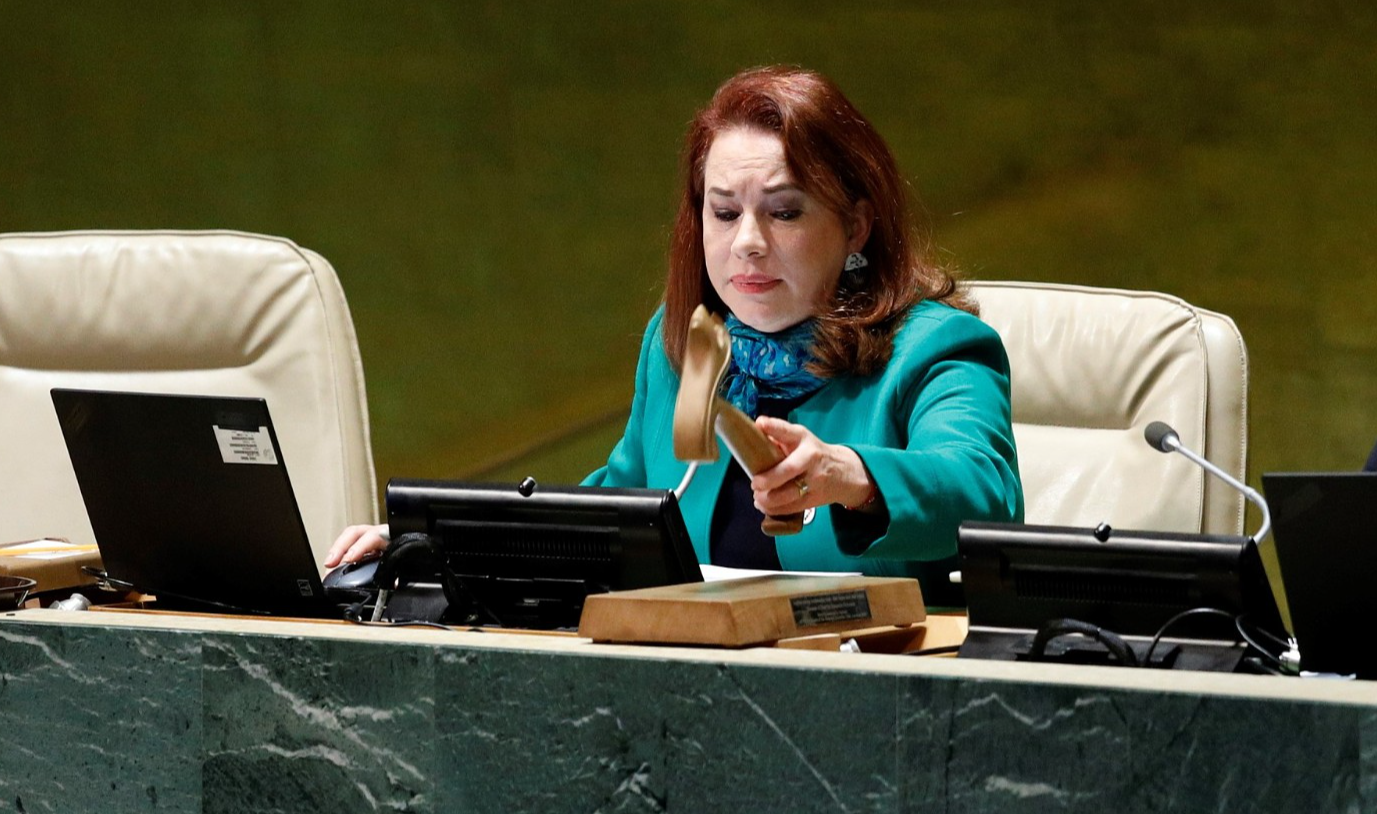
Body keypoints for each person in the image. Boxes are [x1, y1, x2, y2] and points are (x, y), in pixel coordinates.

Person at [328, 66, 1023, 604]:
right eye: (723, 213)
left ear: (857, 225)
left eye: (783, 212)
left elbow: (982, 491)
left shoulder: (934, 347)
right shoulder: (687, 346)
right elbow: (615, 506)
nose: (746, 244)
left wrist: (850, 475)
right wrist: (437, 544)